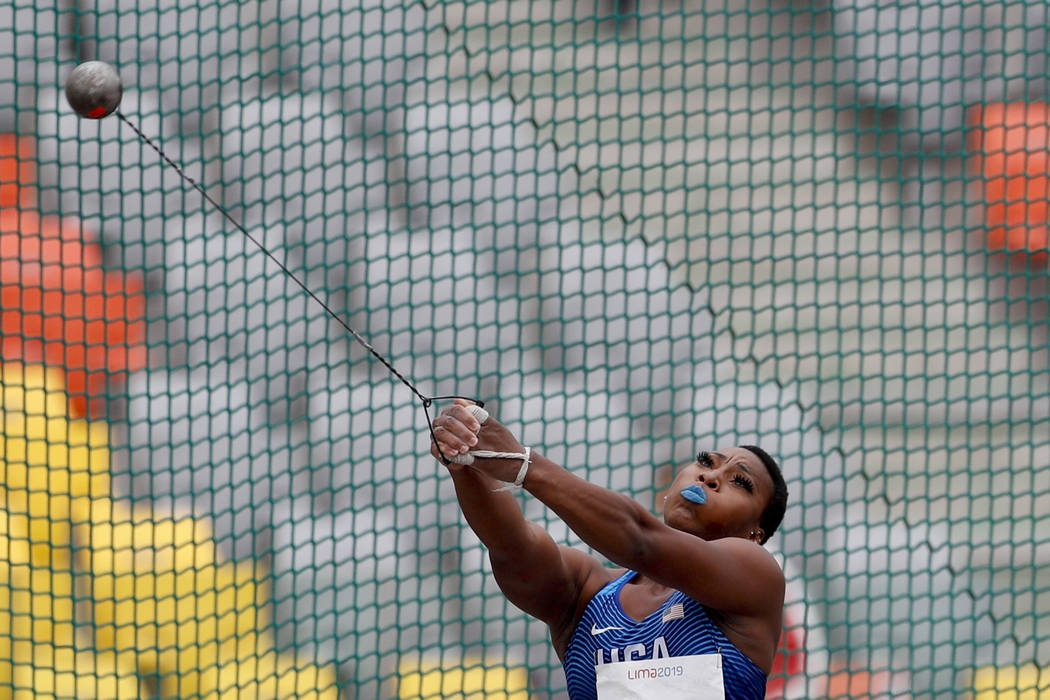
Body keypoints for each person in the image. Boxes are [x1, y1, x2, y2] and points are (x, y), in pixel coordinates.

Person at [430, 400, 789, 700]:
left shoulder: (756, 577)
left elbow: (640, 541)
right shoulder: (588, 593)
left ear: (756, 533)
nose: (709, 477)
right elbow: (511, 546)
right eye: (705, 462)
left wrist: (524, 464)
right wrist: (467, 459)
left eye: (740, 482)